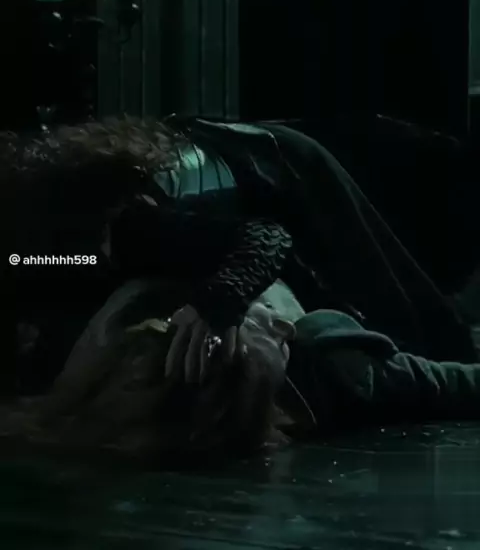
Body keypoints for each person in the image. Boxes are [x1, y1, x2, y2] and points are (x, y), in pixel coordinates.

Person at [0, 114, 477, 398]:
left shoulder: (114, 228)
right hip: (230, 181)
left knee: (385, 301)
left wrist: (218, 303)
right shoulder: (39, 256)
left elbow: (265, 236)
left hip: (284, 173)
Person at [1, 278, 479, 459]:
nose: (282, 327)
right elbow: (457, 383)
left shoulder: (113, 340)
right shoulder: (340, 368)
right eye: (270, 334)